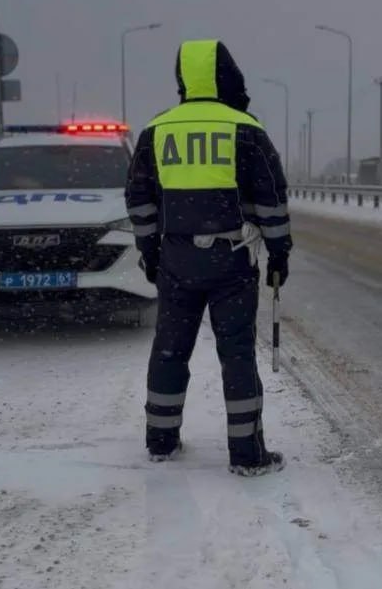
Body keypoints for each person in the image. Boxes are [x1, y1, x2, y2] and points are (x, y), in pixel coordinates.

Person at [125, 39, 292, 476]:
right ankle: (247, 453)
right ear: (227, 75)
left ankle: (161, 441)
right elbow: (271, 198)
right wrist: (278, 252)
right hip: (231, 260)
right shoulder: (245, 128)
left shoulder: (157, 130)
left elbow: (139, 198)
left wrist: (150, 251)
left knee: (169, 351)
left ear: (183, 79)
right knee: (236, 355)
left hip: (176, 260)